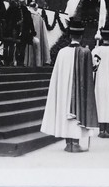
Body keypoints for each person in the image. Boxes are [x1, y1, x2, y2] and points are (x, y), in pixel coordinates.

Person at [40, 20, 98, 152]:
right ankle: (75, 144)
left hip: (64, 91)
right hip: (78, 90)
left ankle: (68, 143)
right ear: (81, 36)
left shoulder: (62, 52)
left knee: (66, 112)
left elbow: (57, 75)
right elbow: (89, 75)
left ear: (70, 36)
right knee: (76, 111)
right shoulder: (85, 52)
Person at [1, 0, 22, 66]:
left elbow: (5, 18)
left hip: (7, 29)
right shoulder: (17, 8)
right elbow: (19, 20)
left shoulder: (9, 8)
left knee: (6, 46)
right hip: (14, 29)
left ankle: (6, 60)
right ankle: (10, 61)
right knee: (12, 45)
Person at [15, 0, 37, 66]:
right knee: (23, 47)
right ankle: (21, 61)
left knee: (17, 46)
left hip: (17, 31)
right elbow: (31, 23)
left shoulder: (17, 11)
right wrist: (33, 32)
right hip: (25, 32)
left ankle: (17, 60)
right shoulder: (27, 12)